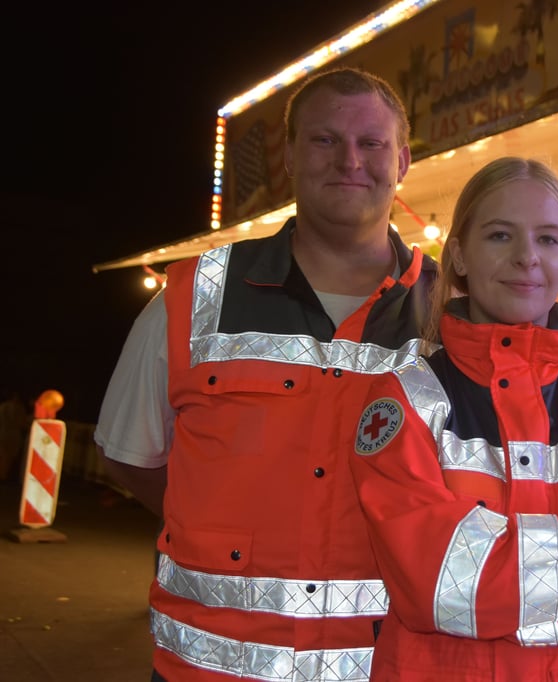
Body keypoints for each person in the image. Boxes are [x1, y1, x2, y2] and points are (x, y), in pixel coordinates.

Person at [94, 67, 438, 682]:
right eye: (325, 140)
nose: (350, 160)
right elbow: (130, 457)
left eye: (371, 143)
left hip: (391, 667)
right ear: (290, 157)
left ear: (403, 161)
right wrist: (211, 519)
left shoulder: (453, 312)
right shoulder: (192, 296)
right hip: (210, 668)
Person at [348, 156, 558, 681]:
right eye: (500, 236)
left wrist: (494, 587)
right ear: (459, 255)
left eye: (548, 239)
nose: (527, 257)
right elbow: (435, 586)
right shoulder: (404, 401)